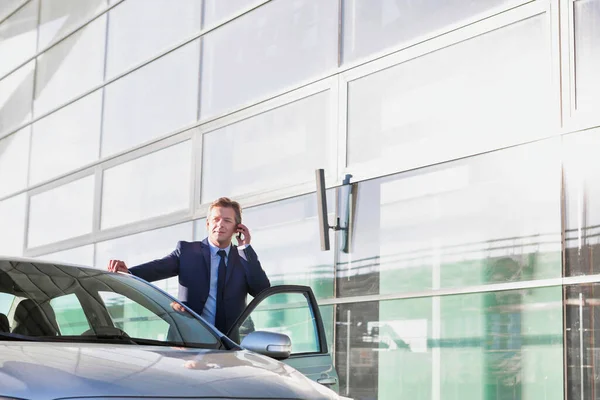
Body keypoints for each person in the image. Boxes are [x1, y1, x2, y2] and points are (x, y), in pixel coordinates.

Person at [107, 197, 270, 336]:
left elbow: (261, 290)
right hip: (187, 341)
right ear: (207, 224)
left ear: (237, 228)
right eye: (216, 219)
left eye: (227, 220)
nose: (220, 224)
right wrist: (128, 272)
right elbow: (157, 268)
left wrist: (245, 248)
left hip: (228, 345)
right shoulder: (187, 252)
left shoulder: (244, 258)